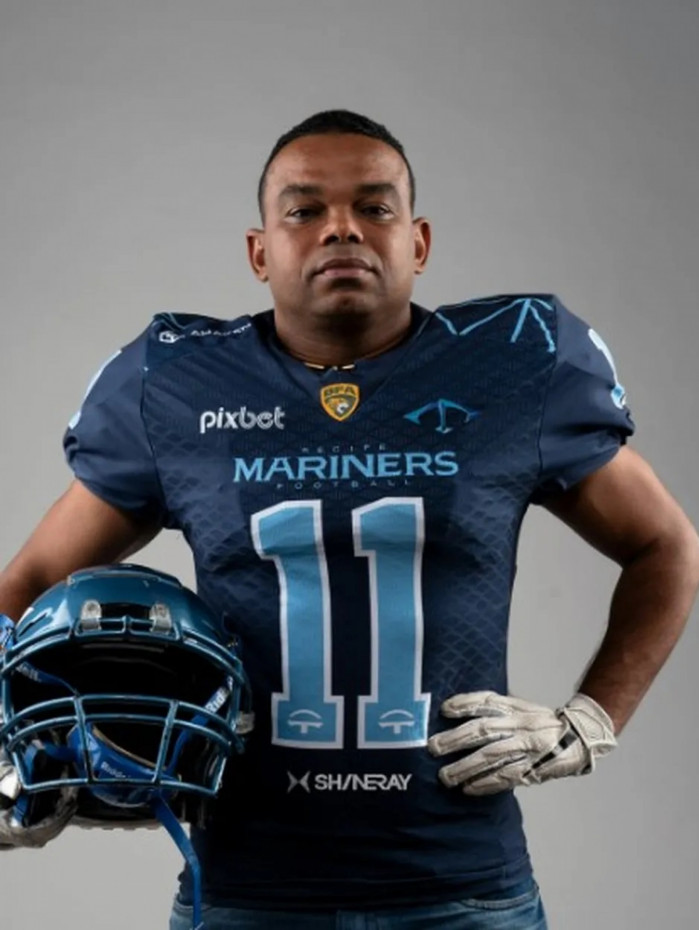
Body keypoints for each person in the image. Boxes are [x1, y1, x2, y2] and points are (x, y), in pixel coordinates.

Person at [1, 109, 698, 930]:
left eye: (374, 207)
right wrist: (17, 752)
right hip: (246, 889)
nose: (341, 228)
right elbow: (32, 580)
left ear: (418, 242)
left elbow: (664, 544)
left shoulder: (511, 363)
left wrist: (589, 721)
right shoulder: (179, 386)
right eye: (304, 210)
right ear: (259, 251)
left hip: (464, 886)